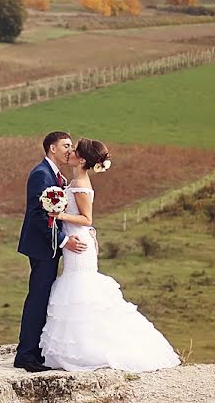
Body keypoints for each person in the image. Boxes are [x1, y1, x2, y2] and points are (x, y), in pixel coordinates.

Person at [39, 138, 181, 372]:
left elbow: (87, 219)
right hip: (76, 241)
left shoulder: (81, 183)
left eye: (74, 150)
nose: (70, 152)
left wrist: (58, 215)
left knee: (80, 289)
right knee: (76, 289)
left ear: (82, 160)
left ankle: (89, 350)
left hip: (79, 245)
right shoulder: (75, 180)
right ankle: (79, 347)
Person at [14, 131, 88, 373]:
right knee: (37, 297)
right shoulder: (41, 175)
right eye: (66, 145)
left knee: (43, 296)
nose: (70, 149)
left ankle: (34, 351)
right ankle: (26, 355)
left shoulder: (56, 176)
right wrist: (65, 240)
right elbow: (39, 216)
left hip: (49, 246)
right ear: (52, 148)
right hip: (42, 246)